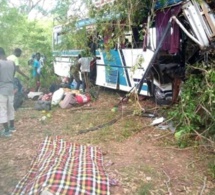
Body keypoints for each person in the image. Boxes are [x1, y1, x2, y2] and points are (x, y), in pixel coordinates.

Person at [0, 47, 16, 137]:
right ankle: (12, 127)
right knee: (11, 107)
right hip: (10, 87)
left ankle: (6, 131)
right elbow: (13, 74)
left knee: (2, 109)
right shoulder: (12, 63)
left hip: (2, 89)